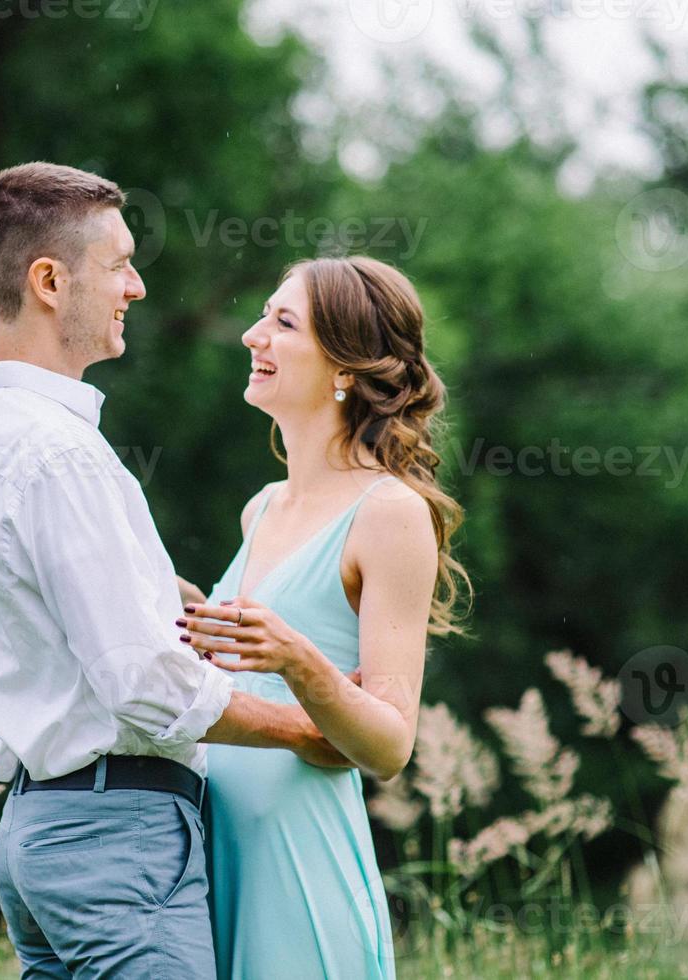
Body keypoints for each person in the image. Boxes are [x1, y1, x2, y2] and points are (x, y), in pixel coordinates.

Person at [0, 162, 345, 979]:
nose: (138, 286)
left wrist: (157, 594)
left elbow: (47, 619)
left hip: (38, 837)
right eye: (119, 264)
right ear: (49, 281)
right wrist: (308, 729)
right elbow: (142, 684)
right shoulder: (56, 452)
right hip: (115, 840)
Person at [178, 255, 469, 980]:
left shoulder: (391, 514)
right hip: (210, 852)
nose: (253, 336)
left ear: (345, 368)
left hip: (297, 862)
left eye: (282, 323)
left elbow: (391, 746)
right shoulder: (262, 507)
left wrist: (300, 661)